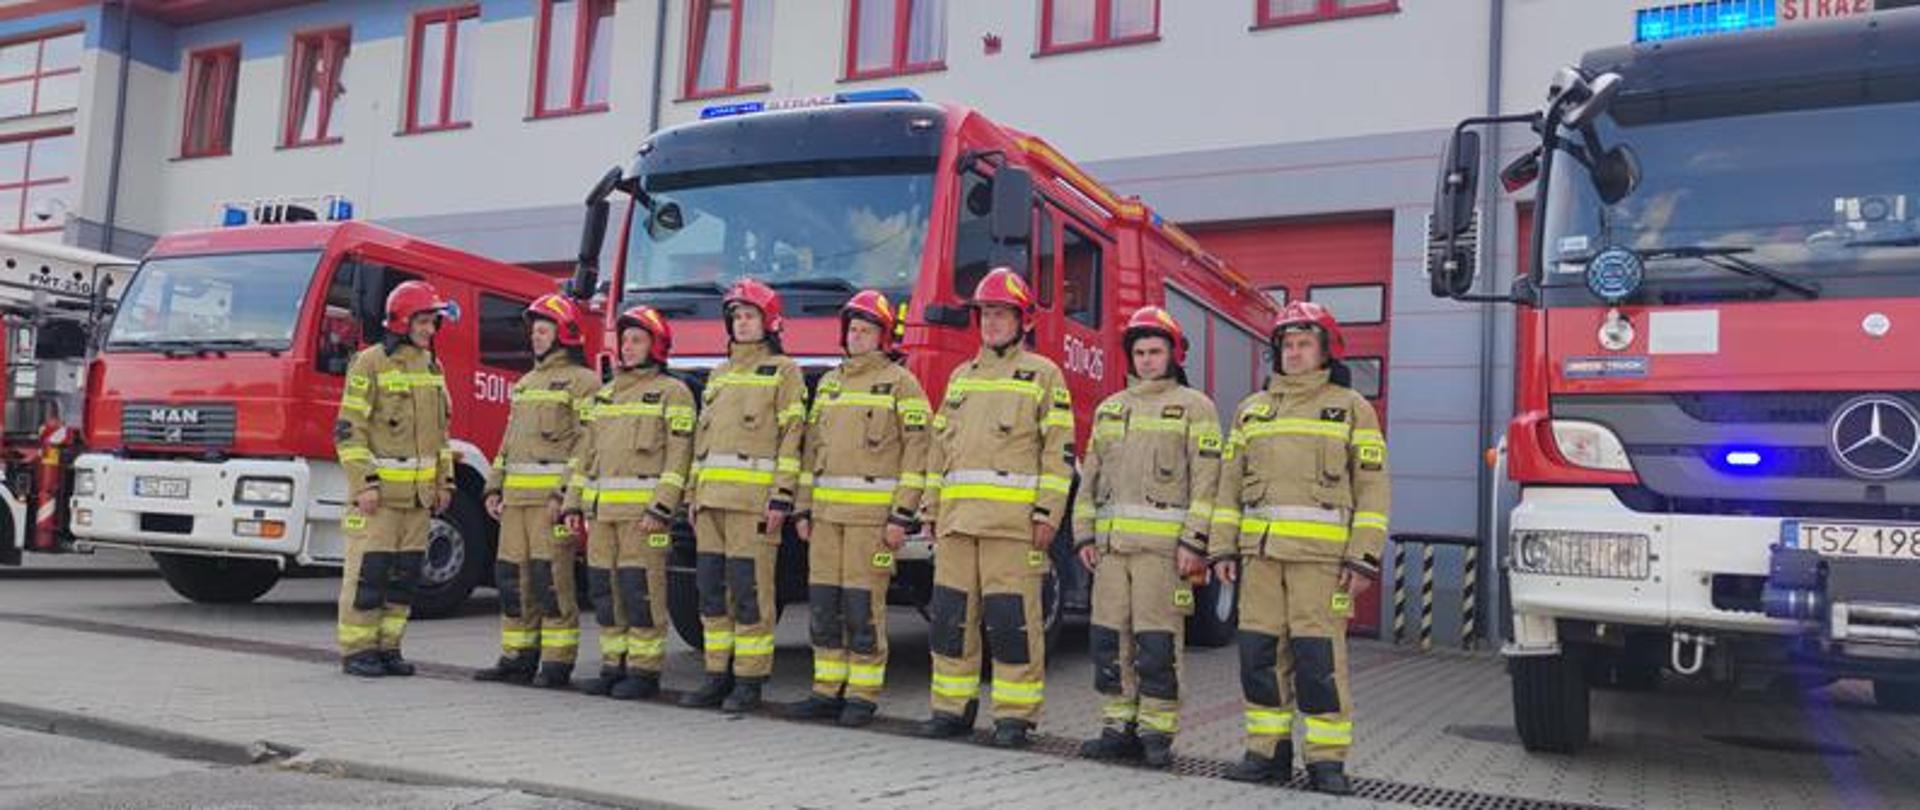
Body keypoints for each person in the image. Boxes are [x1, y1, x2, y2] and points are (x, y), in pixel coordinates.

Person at [1211, 301, 1389, 795]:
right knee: (1259, 659)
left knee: (1318, 662)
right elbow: (1228, 487)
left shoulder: (1352, 408)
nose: (1293, 352)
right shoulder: (1252, 410)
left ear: (1326, 350)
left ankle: (1326, 762)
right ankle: (1266, 753)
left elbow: (1373, 490)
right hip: (1261, 559)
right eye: (1287, 344)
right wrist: (1223, 549)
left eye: (1304, 343)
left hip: (1322, 563)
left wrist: (1363, 556)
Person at [917, 267, 1075, 749]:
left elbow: (1059, 450)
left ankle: (1014, 717)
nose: (991, 322)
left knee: (1011, 623)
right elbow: (938, 449)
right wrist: (930, 506)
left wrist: (1048, 513)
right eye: (986, 314)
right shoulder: (962, 378)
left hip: (1012, 528)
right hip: (957, 524)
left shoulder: (1044, 375)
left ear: (1022, 320)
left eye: (1001, 314)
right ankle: (950, 709)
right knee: (949, 620)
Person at [1072, 306, 1220, 768]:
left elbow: (1208, 482)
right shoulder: (1111, 409)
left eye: (1156, 351)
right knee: (1109, 642)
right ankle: (1118, 728)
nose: (1147, 360)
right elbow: (1089, 481)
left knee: (1157, 645)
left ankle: (1157, 733)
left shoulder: (1196, 407)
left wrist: (1195, 543)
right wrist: (1083, 537)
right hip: (1111, 554)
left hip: (1163, 556)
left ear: (1173, 355)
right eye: (1140, 352)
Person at [785, 290, 930, 728]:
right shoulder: (829, 384)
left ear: (883, 337)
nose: (857, 336)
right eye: (853, 329)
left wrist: (901, 516)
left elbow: (918, 452)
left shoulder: (902, 384)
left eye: (867, 330)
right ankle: (827, 690)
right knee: (825, 606)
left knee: (863, 607)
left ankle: (863, 695)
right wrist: (803, 509)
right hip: (826, 520)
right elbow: (812, 453)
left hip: (872, 523)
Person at [681, 279, 807, 713]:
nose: (742, 323)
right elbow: (703, 439)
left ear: (769, 322)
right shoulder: (719, 374)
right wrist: (693, 493)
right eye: (736, 317)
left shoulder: (784, 371)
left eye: (750, 316)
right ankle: (718, 675)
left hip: (752, 506)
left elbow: (794, 437)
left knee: (750, 592)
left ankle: (749, 681)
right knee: (712, 592)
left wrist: (781, 498)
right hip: (711, 503)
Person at [563, 305, 696, 700]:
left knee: (642, 593)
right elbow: (585, 456)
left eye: (637, 340)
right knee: (606, 592)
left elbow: (679, 457)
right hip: (602, 517)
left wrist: (662, 508)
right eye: (625, 340)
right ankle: (612, 666)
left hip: (644, 519)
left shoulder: (674, 393)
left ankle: (643, 670)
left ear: (655, 345)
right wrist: (573, 504)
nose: (628, 347)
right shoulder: (604, 396)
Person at [474, 294, 600, 688]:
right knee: (513, 580)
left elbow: (587, 444)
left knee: (551, 580)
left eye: (544, 330)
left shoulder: (584, 383)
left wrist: (565, 495)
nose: (536, 338)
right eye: (534, 331)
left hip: (550, 504)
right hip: (515, 503)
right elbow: (509, 440)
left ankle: (557, 662)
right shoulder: (525, 383)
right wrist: (494, 485)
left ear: (563, 332)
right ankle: (517, 657)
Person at [333, 281, 456, 678]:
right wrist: (364, 484)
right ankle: (358, 650)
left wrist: (444, 483)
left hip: (418, 500)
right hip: (380, 498)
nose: (430, 329)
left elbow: (441, 434)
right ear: (403, 320)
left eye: (433, 321)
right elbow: (349, 429)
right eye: (423, 320)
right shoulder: (369, 363)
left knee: (403, 578)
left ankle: (389, 648)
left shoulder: (433, 367)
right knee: (369, 574)